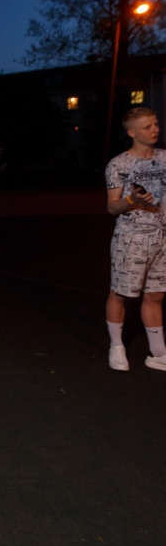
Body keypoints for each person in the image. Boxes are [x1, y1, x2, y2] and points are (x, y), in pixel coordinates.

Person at [105, 106, 166, 372]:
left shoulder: (165, 158)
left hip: (161, 237)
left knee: (156, 295)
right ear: (132, 132)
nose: (155, 130)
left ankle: (158, 353)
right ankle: (116, 347)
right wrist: (133, 200)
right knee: (120, 294)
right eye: (147, 127)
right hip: (131, 238)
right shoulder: (119, 164)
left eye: (155, 124)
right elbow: (112, 207)